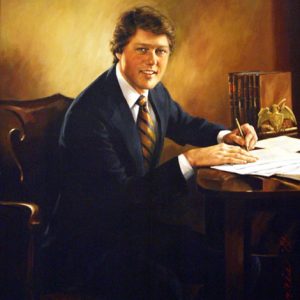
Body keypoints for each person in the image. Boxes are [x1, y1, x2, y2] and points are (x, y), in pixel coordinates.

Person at [42, 6, 259, 300]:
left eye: (161, 51)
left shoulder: (153, 91)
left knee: (242, 264)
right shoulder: (89, 115)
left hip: (136, 228)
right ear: (119, 51)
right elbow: (121, 198)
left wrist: (226, 135)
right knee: (167, 287)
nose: (153, 62)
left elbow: (184, 123)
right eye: (142, 49)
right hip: (90, 246)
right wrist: (191, 160)